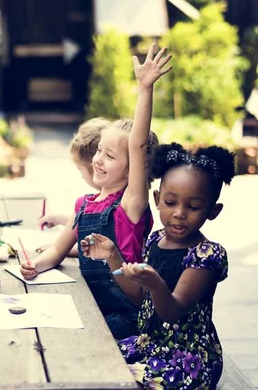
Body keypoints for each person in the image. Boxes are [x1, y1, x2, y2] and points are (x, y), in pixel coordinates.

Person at [20, 44, 171, 339]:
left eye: (110, 156)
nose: (98, 160)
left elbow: (138, 146)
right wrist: (35, 265)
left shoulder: (131, 204)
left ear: (133, 170)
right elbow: (57, 250)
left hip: (128, 315)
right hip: (96, 305)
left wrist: (145, 89)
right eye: (99, 151)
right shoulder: (84, 204)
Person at [80, 143, 235, 389]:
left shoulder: (206, 255)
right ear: (157, 200)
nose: (180, 213)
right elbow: (140, 297)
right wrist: (113, 257)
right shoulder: (155, 239)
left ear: (212, 211)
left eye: (193, 207)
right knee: (91, 360)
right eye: (171, 202)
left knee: (117, 380)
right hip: (150, 344)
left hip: (187, 359)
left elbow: (173, 311)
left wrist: (155, 284)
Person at [37, 118, 109, 256]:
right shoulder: (101, 198)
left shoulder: (117, 204)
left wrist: (64, 248)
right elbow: (88, 223)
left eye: (81, 171)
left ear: (96, 168)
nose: (82, 176)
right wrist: (59, 219)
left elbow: (98, 245)